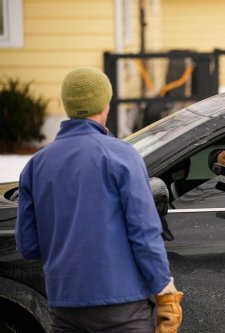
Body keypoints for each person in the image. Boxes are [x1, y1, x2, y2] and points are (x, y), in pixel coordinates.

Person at [15, 67, 183, 333]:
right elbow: (144, 232)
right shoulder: (122, 156)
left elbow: (28, 246)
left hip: (65, 305)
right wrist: (164, 291)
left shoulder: (36, 165)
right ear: (106, 104)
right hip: (121, 307)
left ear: (66, 105)